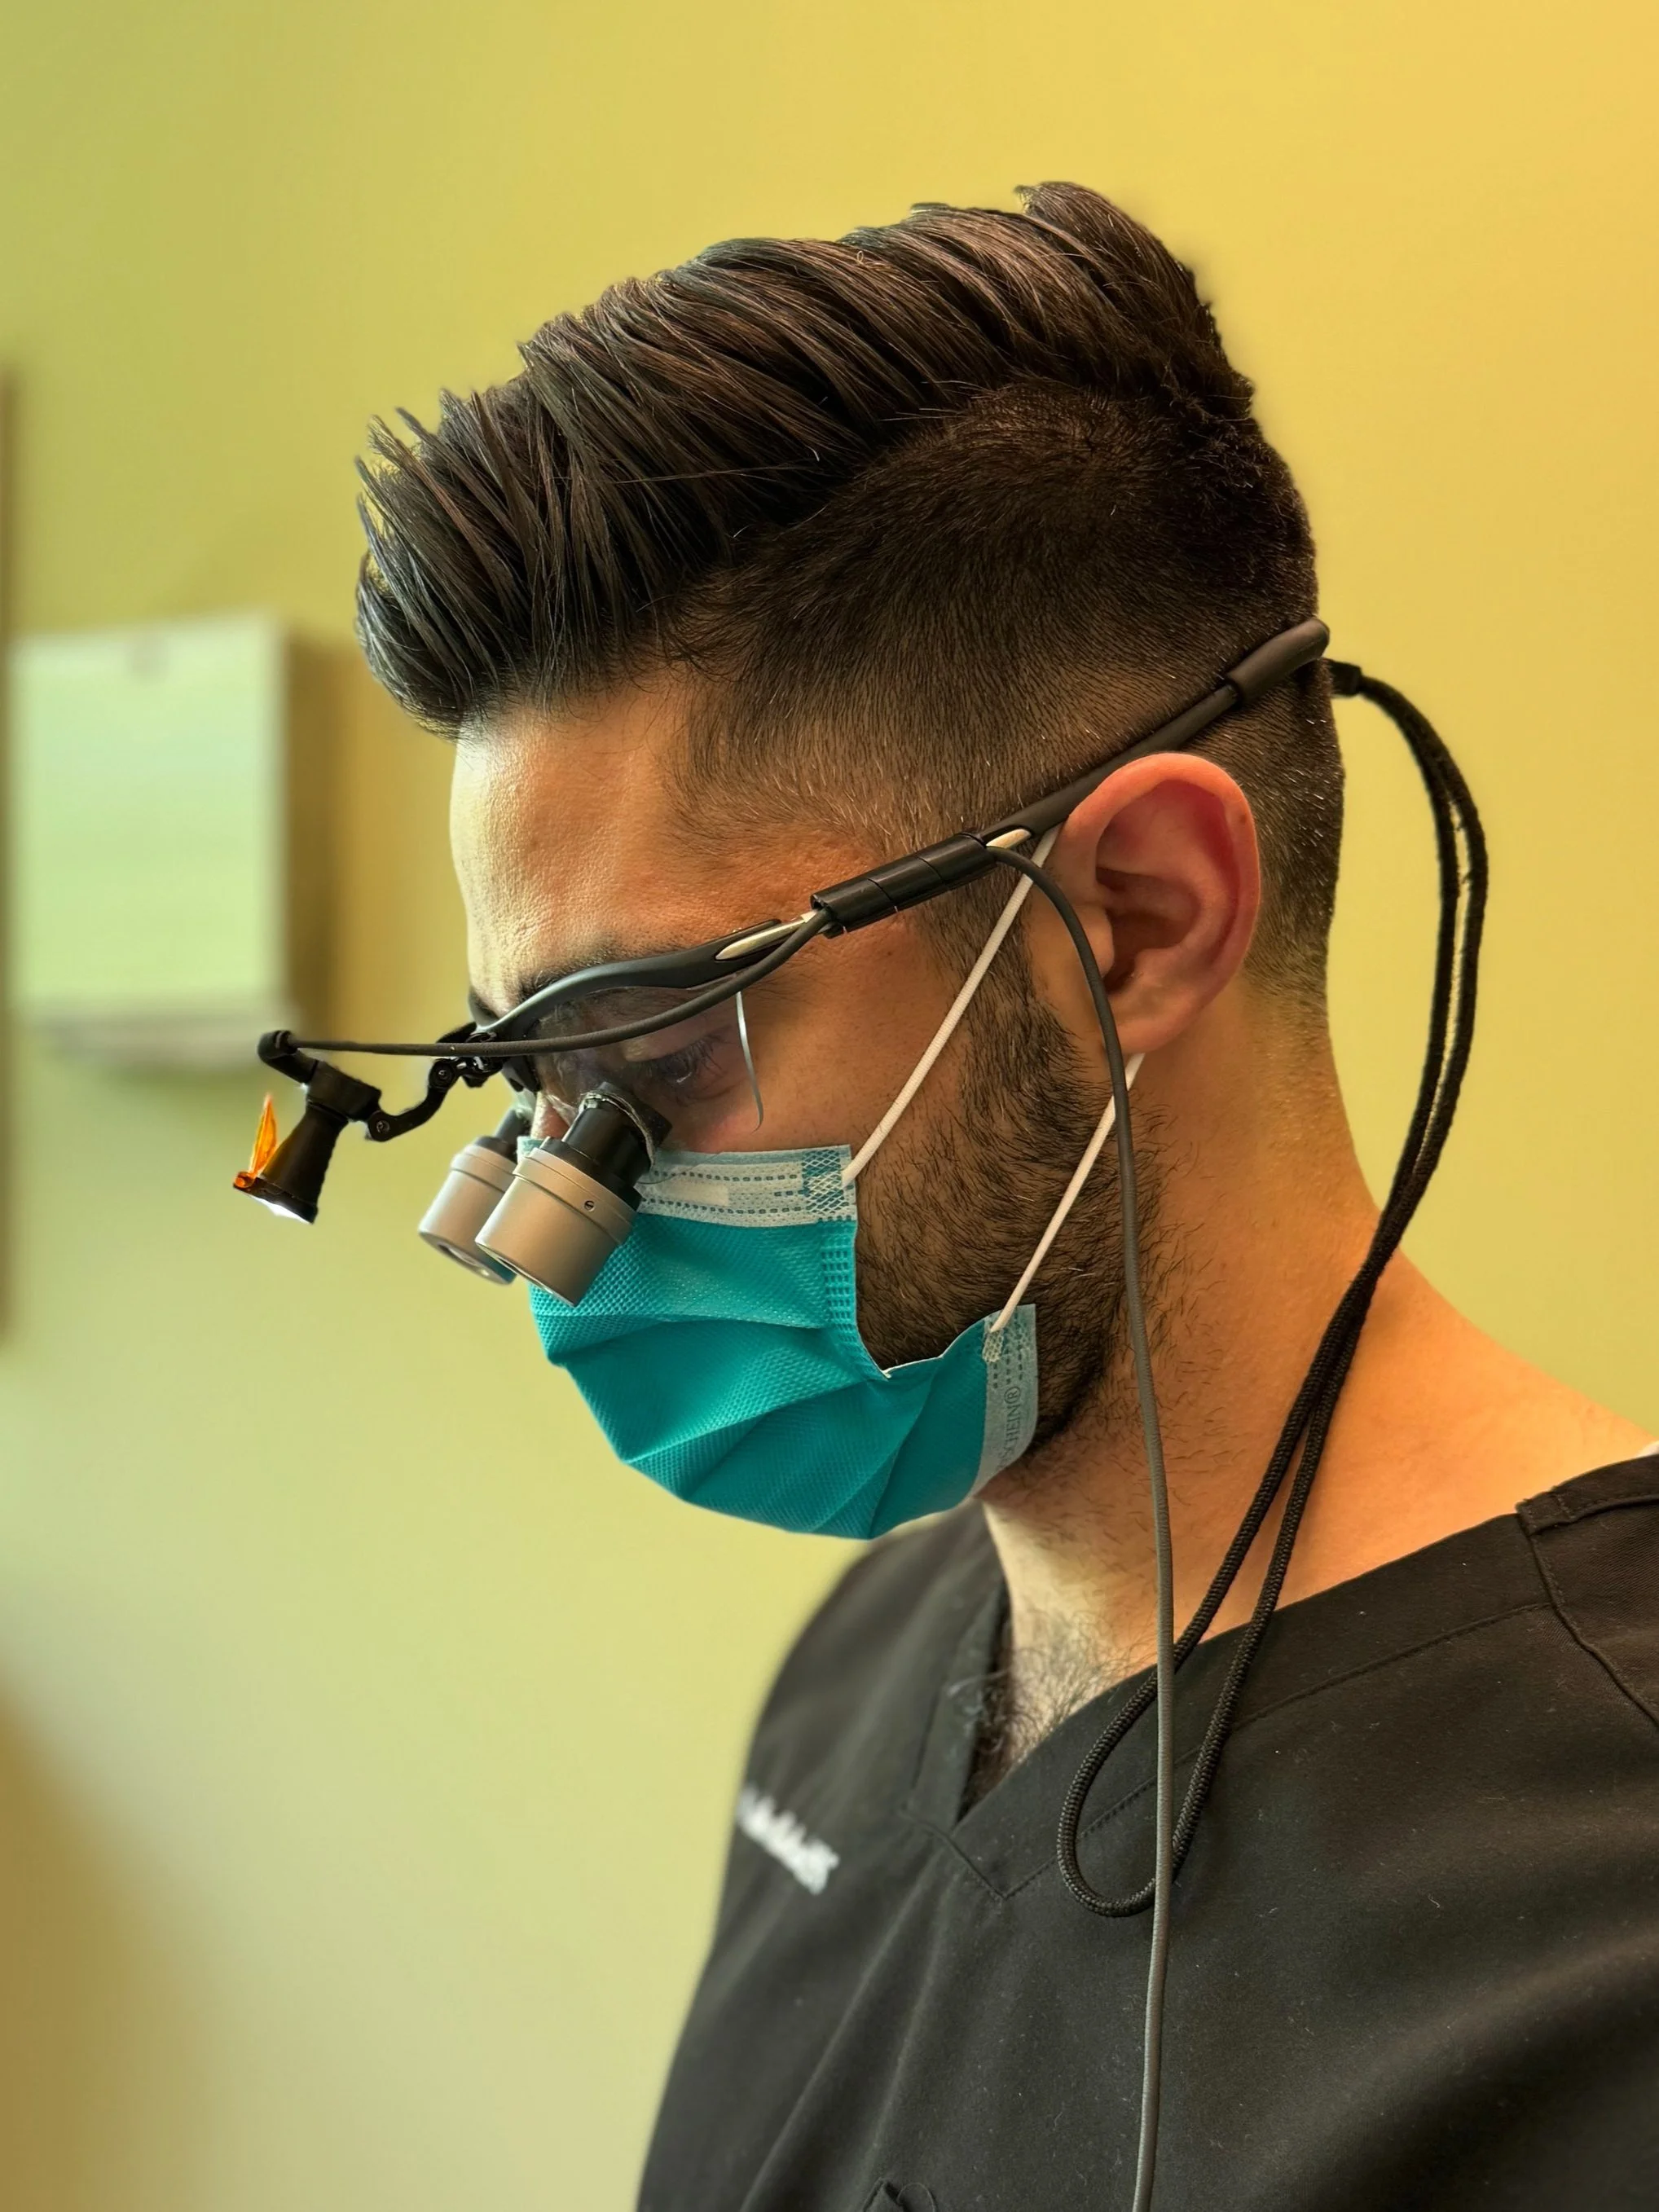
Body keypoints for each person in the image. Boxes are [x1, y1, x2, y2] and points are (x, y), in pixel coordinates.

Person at [353, 184, 1659, 2210]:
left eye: (659, 1050)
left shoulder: (1598, 1903)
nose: (559, 1219)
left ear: (1135, 918)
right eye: (533, 1081)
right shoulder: (874, 1653)